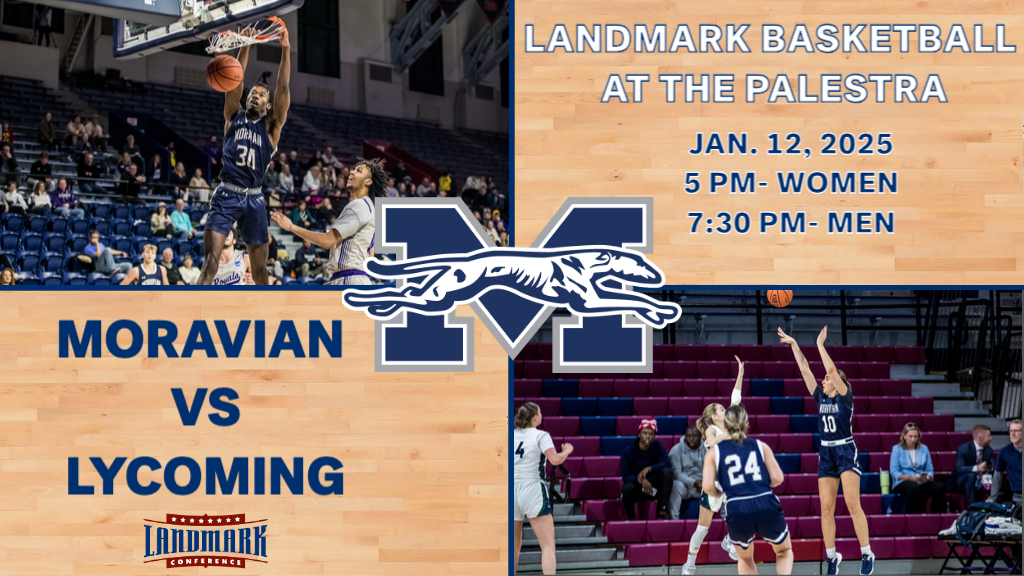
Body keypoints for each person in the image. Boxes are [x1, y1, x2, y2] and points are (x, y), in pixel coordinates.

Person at [198, 26, 290, 287]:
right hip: (226, 192)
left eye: (261, 94)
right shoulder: (233, 116)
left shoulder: (271, 130)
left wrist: (285, 49)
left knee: (260, 270)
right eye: (253, 92)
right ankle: (190, 310)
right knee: (210, 262)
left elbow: (282, 87)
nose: (254, 95)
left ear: (268, 105)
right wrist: (246, 43)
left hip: (254, 197)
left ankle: (264, 317)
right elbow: (234, 80)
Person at [779, 326, 873, 575]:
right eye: (825, 379)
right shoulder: (821, 397)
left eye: (828, 379)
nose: (824, 379)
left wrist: (820, 345)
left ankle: (866, 552)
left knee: (853, 505)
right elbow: (804, 369)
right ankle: (832, 557)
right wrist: (794, 344)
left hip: (845, 450)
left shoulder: (845, 396)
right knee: (826, 509)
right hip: (826, 453)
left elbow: (830, 369)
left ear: (840, 382)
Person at [703, 405, 793, 576]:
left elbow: (707, 487)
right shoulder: (760, 445)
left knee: (745, 558)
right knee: (783, 551)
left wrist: (721, 494)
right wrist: (759, 486)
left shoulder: (714, 452)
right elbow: (778, 479)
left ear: (725, 426)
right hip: (765, 501)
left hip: (737, 506)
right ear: (747, 424)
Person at [270, 159, 386, 285]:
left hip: (349, 280)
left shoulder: (358, 205)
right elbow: (370, 256)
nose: (352, 172)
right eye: (354, 169)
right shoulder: (371, 210)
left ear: (368, 181)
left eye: (359, 170)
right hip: (359, 279)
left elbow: (327, 241)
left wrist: (292, 227)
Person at [683, 356, 744, 574]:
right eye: (720, 409)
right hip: (714, 483)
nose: (724, 409)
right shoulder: (711, 429)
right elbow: (709, 442)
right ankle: (690, 563)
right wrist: (728, 435)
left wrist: (740, 373)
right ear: (713, 417)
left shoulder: (729, 423)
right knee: (702, 528)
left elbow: (735, 399)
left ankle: (729, 540)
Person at [513, 402, 572, 576]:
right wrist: (567, 451)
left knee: (514, 547)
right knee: (547, 545)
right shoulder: (541, 435)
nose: (542, 415)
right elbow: (554, 460)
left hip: (511, 489)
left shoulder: (510, 435)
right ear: (534, 418)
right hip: (532, 488)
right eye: (540, 412)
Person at [620, 418, 673, 520]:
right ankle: (631, 518)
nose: (647, 436)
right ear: (639, 434)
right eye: (644, 433)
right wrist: (640, 480)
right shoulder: (628, 451)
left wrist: (650, 469)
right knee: (627, 488)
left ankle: (662, 509)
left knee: (667, 472)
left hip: (654, 487)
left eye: (651, 434)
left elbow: (667, 463)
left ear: (654, 436)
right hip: (638, 488)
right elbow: (626, 476)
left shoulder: (658, 446)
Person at [890, 422, 946, 514]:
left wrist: (927, 478)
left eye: (915, 436)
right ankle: (911, 517)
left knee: (940, 487)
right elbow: (894, 472)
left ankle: (934, 516)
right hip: (903, 481)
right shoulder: (897, 449)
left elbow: (930, 470)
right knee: (912, 488)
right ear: (904, 436)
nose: (913, 439)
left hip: (920, 481)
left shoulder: (924, 449)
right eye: (910, 436)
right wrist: (910, 478)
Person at [949, 424, 994, 506]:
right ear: (981, 438)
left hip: (982, 479)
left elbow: (993, 466)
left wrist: (988, 468)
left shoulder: (989, 450)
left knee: (995, 475)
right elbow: (960, 469)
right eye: (988, 436)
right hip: (962, 481)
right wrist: (977, 468)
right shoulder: (963, 449)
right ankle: (972, 506)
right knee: (971, 476)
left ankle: (993, 505)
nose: (990, 438)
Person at [669, 427, 706, 520]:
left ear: (700, 437)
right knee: (676, 485)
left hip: (704, 486)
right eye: (689, 436)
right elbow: (676, 474)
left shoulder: (707, 449)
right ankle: (674, 519)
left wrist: (704, 483)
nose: (691, 439)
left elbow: (713, 471)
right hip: (686, 487)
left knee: (721, 484)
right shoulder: (676, 450)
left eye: (695, 436)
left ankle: (725, 519)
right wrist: (694, 482)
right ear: (685, 436)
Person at [990, 419, 1022, 504]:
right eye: (1011, 431)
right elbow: (997, 477)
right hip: (1018, 498)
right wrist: (992, 498)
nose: (1012, 433)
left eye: (1016, 431)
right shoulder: (1004, 452)